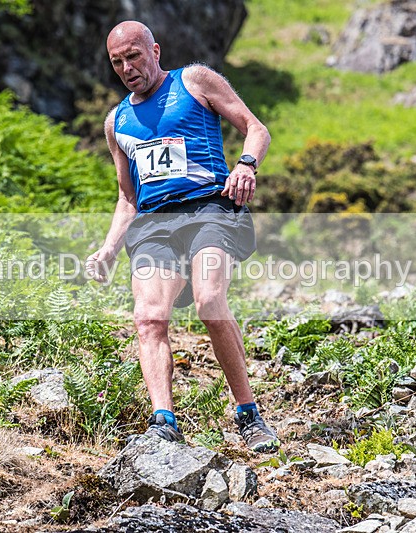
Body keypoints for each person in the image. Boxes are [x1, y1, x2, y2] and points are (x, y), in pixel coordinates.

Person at [85, 20, 279, 453]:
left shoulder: (193, 81)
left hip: (209, 209)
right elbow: (127, 197)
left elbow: (256, 128)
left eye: (133, 56)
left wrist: (246, 165)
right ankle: (164, 423)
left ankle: (248, 414)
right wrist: (108, 248)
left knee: (211, 301)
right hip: (155, 224)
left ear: (155, 50)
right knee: (148, 316)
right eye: (117, 62)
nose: (127, 67)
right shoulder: (116, 121)